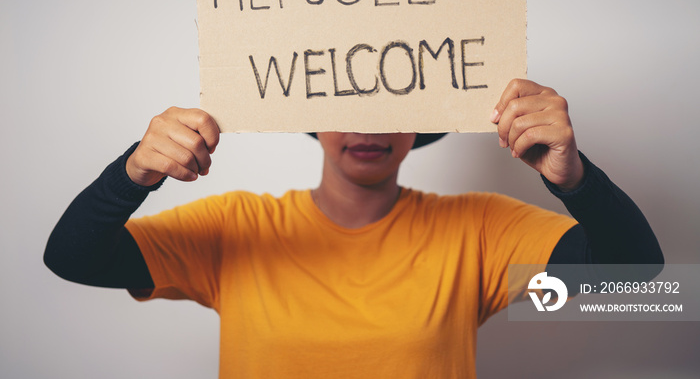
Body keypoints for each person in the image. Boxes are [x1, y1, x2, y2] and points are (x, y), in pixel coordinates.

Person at [45, 79, 663, 378]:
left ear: (419, 125)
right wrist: (133, 173)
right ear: (314, 118)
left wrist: (573, 178)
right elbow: (73, 259)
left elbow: (641, 285)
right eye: (348, 105)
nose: (369, 126)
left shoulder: (477, 229)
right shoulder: (235, 226)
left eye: (393, 106)